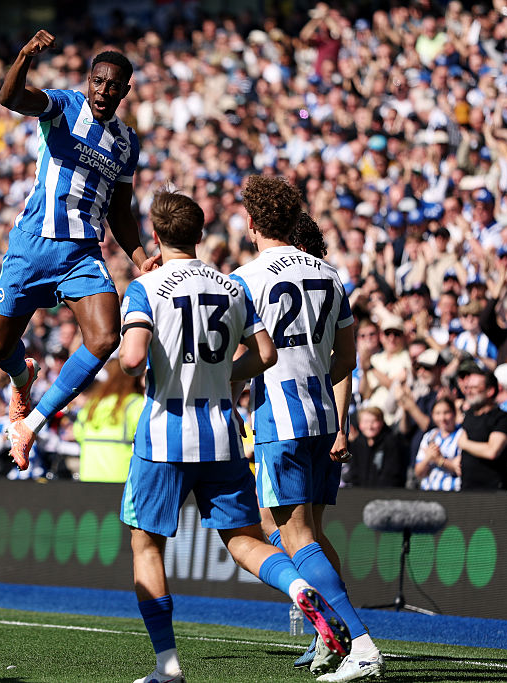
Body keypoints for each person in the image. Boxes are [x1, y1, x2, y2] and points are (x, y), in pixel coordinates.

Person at [119, 191, 349, 683]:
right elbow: (264, 355)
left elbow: (133, 358)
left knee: (147, 546)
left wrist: (128, 349)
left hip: (164, 434)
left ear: (156, 237)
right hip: (223, 431)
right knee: (244, 540)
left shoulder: (146, 288)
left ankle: (168, 665)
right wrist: (224, 371)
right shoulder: (231, 287)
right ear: (201, 235)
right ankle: (298, 590)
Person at [230, 176, 382, 682]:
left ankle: (357, 642)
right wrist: (330, 401)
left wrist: (228, 399)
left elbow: (239, 355)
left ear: (252, 223)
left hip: (281, 415)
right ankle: (332, 634)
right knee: (308, 532)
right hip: (322, 413)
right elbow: (348, 357)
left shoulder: (244, 278)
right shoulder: (331, 275)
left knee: (291, 536)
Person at [0, 29, 158, 471]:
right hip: (32, 245)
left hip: (81, 252)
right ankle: (22, 378)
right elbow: (10, 98)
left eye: (113, 85)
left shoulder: (126, 143)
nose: (104, 90)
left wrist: (141, 260)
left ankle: (32, 424)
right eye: (97, 81)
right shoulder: (64, 106)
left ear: (125, 90)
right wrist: (24, 54)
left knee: (105, 337)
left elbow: (121, 211)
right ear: (89, 82)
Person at [73, 359, 144, 483]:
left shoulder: (91, 405)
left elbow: (78, 433)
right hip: (121, 481)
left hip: (88, 480)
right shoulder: (136, 404)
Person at [458, 367, 507, 491]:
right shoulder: (469, 416)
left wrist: (465, 444)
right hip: (467, 490)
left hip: (492, 492)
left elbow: (492, 451)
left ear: (490, 391)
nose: (468, 392)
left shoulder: (502, 418)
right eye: (467, 388)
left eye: (474, 388)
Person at [413, 397, 463, 491]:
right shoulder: (429, 436)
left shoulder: (462, 435)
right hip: (429, 491)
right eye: (438, 413)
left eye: (446, 412)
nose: (442, 418)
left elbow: (459, 469)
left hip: (452, 491)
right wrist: (427, 458)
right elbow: (418, 472)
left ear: (454, 413)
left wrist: (439, 460)